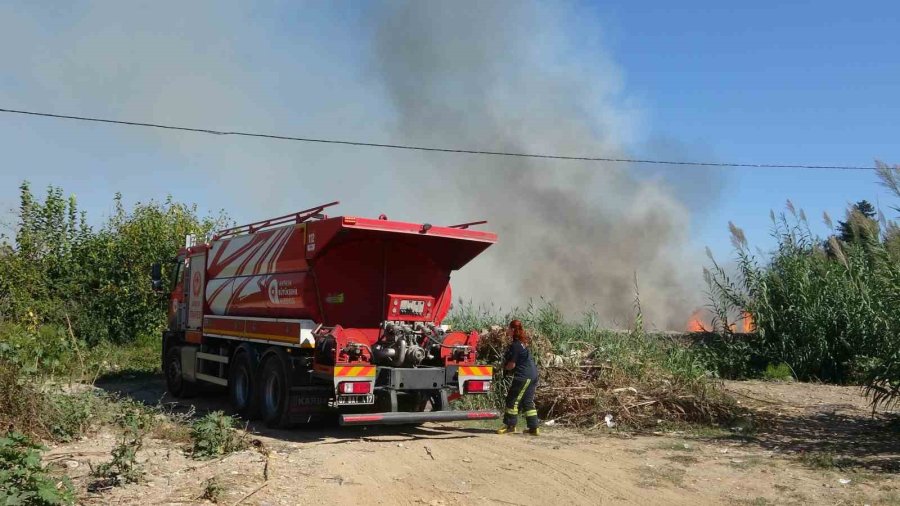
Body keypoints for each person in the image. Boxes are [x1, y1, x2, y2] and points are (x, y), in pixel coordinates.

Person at [496, 319, 540, 435]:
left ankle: (510, 426)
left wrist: (502, 368)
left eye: (509, 328)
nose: (507, 330)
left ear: (513, 330)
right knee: (527, 401)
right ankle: (534, 428)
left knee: (512, 399)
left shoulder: (515, 345)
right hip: (533, 374)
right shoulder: (521, 343)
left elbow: (512, 365)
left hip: (523, 376)